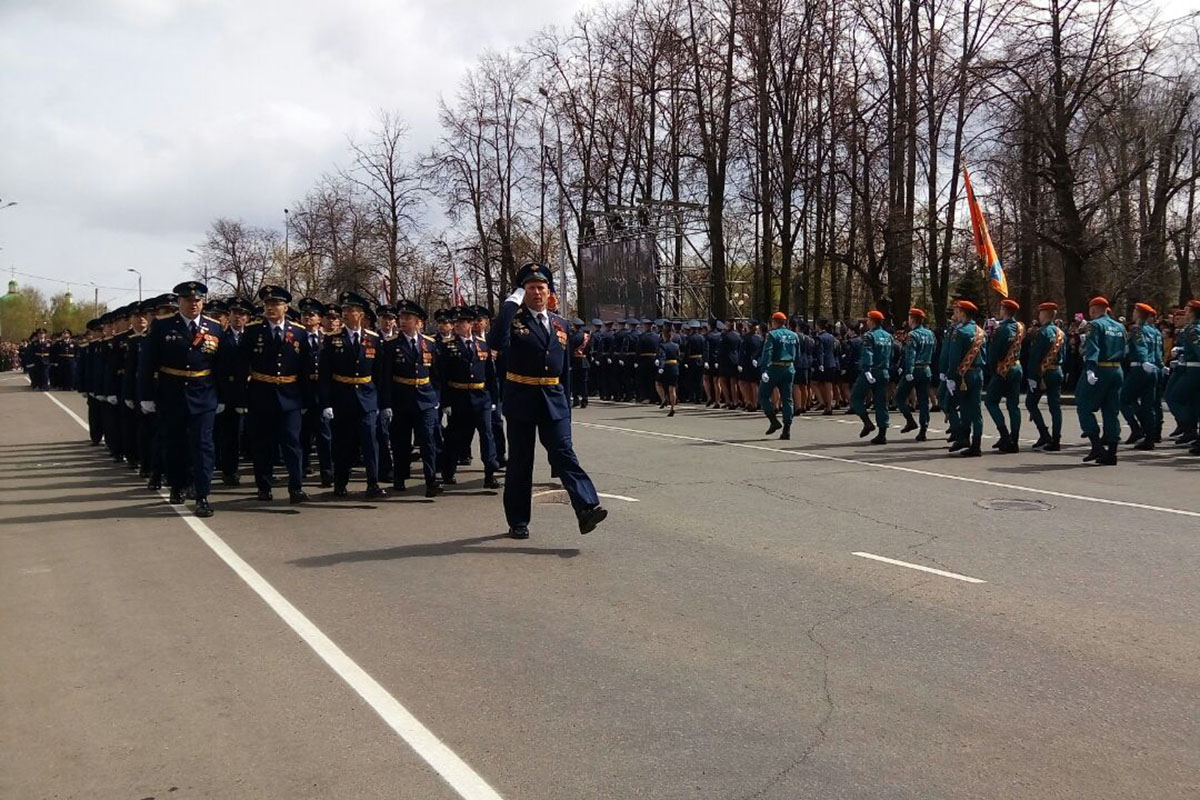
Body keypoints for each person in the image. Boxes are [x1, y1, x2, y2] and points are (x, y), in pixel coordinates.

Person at [487, 262, 606, 540]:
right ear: (523, 291)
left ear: (548, 291)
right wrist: (508, 305)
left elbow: (565, 370)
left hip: (554, 400)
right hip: (521, 399)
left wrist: (567, 407)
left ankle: (587, 506)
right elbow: (495, 341)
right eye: (530, 288)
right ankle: (518, 520)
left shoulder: (560, 323)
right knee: (520, 463)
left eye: (541, 287)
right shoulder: (514, 321)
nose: (537, 292)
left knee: (564, 453)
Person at [139, 281, 224, 518]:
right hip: (171, 393)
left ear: (203, 302)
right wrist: (146, 396)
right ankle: (177, 486)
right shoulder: (163, 326)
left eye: (197, 300)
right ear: (180, 302)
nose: (193, 304)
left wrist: (222, 397)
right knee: (174, 444)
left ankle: (202, 494)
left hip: (204, 393)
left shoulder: (214, 328)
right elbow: (148, 363)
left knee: (203, 446)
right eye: (188, 300)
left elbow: (221, 366)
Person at [235, 285, 310, 504]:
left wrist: (305, 399)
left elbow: (305, 369)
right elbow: (241, 365)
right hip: (261, 394)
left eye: (275, 304)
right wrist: (242, 397)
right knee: (262, 444)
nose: (271, 308)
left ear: (285, 306)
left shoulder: (298, 332)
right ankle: (264, 486)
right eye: (267, 304)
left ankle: (295, 487)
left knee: (292, 443)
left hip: (290, 396)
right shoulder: (253, 331)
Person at [319, 291, 387, 498]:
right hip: (342, 397)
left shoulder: (373, 339)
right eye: (344, 311)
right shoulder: (332, 340)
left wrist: (383, 403)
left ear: (361, 315)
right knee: (343, 444)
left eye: (351, 310)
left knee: (370, 442)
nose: (346, 314)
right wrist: (326, 403)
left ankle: (373, 483)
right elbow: (325, 374)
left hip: (367, 398)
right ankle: (340, 483)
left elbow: (380, 374)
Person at [379, 299, 443, 497]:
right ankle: (399, 477)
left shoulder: (429, 344)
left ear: (419, 322)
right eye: (402, 317)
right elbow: (385, 377)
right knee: (400, 442)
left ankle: (431, 480)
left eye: (408, 318)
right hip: (401, 399)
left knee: (427, 440)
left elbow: (437, 375)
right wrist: (386, 404)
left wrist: (436, 399)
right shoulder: (390, 345)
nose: (403, 321)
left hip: (425, 399)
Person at [437, 306, 501, 490]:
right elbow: (442, 376)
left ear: (470, 324)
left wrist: (494, 400)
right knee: (454, 437)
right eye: (456, 322)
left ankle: (490, 474)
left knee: (487, 436)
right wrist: (446, 402)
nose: (457, 325)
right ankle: (448, 472)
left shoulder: (482, 345)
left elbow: (491, 376)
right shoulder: (447, 346)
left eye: (461, 322)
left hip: (481, 398)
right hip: (459, 398)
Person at [1074, 296, 1126, 465]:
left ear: (1093, 309)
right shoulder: (1120, 326)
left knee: (1083, 405)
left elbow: (1093, 348)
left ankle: (1097, 446)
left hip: (1100, 368)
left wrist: (1090, 369)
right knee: (1111, 410)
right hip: (1116, 369)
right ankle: (1112, 452)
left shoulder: (1095, 325)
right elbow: (1124, 349)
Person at [944, 300, 986, 457]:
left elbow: (953, 358)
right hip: (978, 373)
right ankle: (976, 444)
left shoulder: (959, 332)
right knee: (976, 410)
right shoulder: (981, 331)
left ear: (963, 313)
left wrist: (950, 377)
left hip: (963, 375)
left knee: (952, 404)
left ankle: (963, 437)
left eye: (958, 311)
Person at [984, 298, 1026, 453]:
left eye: (1001, 309)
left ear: (1005, 311)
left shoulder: (1002, 330)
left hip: (1003, 369)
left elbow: (993, 353)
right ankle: (1014, 440)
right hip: (1016, 367)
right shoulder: (1020, 327)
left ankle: (1004, 435)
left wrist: (991, 369)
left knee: (990, 401)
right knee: (1013, 406)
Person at [1120, 302, 1164, 449]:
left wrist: (1143, 360)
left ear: (1138, 314)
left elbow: (1140, 347)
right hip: (1154, 370)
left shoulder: (1137, 329)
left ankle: (1137, 427)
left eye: (1134, 311)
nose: (1133, 313)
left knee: (1123, 399)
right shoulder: (1156, 332)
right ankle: (1149, 438)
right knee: (1148, 404)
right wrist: (1161, 366)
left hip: (1140, 368)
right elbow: (1158, 352)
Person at [1026, 302, 1066, 451]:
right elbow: (1065, 355)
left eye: (1041, 312)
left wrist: (1031, 376)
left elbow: (1034, 357)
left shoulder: (1041, 332)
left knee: (1031, 403)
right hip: (1057, 371)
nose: (1039, 315)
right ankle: (1056, 439)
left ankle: (1044, 434)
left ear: (1045, 314)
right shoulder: (1060, 333)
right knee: (1055, 407)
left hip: (1042, 373)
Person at [849, 310, 893, 444]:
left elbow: (868, 353)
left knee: (855, 398)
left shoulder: (869, 336)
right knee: (881, 403)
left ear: (872, 321)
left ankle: (867, 422)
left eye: (868, 320)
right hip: (883, 371)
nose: (866, 322)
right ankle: (882, 433)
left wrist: (867, 369)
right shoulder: (888, 336)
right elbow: (891, 355)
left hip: (871, 371)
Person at [1166, 299, 1200, 453]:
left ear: (1192, 312)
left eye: (1187, 310)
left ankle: (1189, 427)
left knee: (1174, 397)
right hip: (1190, 367)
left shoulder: (1192, 329)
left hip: (1193, 369)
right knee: (1194, 403)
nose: (1184, 313)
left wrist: (1181, 352)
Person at [896, 308, 935, 441]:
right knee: (923, 400)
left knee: (899, 397)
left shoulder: (912, 335)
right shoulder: (930, 334)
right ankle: (924, 429)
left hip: (915, 369)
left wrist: (908, 371)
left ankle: (910, 420)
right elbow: (933, 351)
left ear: (912, 319)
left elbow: (910, 354)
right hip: (926, 369)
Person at [758, 311, 799, 439]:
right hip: (789, 367)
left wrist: (764, 369)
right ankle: (787, 429)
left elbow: (768, 352)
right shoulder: (794, 335)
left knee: (763, 395)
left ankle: (774, 421)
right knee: (787, 399)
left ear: (774, 322)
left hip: (774, 368)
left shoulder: (772, 335)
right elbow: (797, 355)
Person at [655, 327, 681, 417]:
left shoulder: (662, 346)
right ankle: (672, 407)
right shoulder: (676, 345)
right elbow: (678, 356)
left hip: (666, 367)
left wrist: (661, 367)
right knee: (672, 389)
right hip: (674, 367)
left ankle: (663, 399)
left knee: (658, 383)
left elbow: (662, 356)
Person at [569, 318, 591, 408]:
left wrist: (569, 363)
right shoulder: (586, 336)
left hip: (575, 361)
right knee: (584, 382)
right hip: (584, 361)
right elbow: (589, 350)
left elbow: (570, 351)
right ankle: (585, 399)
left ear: (574, 326)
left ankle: (576, 399)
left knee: (574, 382)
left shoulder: (572, 337)